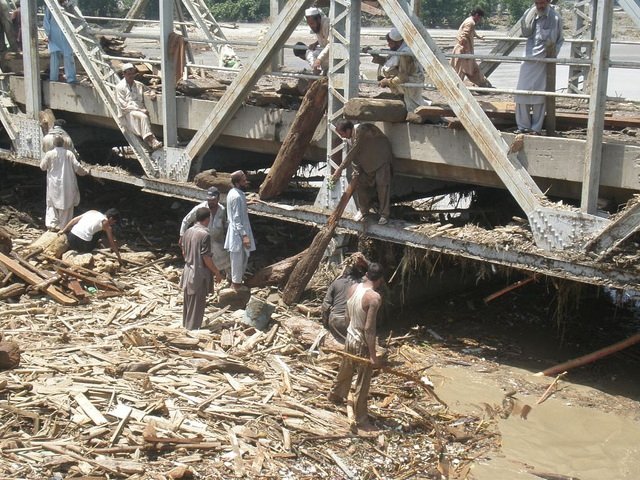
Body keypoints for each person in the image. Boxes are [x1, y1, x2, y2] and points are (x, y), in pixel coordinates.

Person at [328, 263, 385, 432]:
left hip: (350, 337)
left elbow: (347, 315)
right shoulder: (374, 298)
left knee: (346, 368)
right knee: (363, 380)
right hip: (361, 342)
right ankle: (362, 419)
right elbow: (369, 329)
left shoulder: (353, 288)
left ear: (367, 274)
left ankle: (335, 395)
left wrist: (349, 332)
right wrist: (373, 354)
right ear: (381, 280)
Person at [514, 0, 563, 135]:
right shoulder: (530, 13)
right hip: (528, 59)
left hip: (543, 62)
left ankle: (536, 128)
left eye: (542, 3)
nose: (540, 6)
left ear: (548, 2)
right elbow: (525, 31)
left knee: (540, 96)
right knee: (522, 92)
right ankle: (523, 127)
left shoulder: (555, 18)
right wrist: (531, 13)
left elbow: (560, 40)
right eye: (537, 3)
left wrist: (552, 56)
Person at [336, 120, 393, 225]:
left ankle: (384, 215)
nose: (341, 136)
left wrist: (340, 169)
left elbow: (353, 152)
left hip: (382, 159)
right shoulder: (350, 139)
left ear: (348, 130)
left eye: (342, 133)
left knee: (382, 185)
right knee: (359, 183)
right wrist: (356, 172)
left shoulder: (361, 130)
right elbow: (355, 158)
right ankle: (363, 211)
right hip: (369, 163)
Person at [180, 207, 223, 330]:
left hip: (187, 271)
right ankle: (192, 331)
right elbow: (206, 258)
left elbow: (183, 251)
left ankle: (186, 327)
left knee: (188, 303)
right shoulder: (205, 234)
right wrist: (217, 272)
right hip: (198, 273)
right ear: (208, 219)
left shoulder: (188, 231)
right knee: (197, 305)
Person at [179, 186, 230, 279]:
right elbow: (186, 220)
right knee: (202, 260)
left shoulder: (222, 209)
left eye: (213, 200)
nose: (211, 202)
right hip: (203, 240)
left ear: (218, 199)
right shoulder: (200, 208)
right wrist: (182, 236)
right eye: (209, 200)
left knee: (225, 259)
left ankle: (228, 278)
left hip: (217, 240)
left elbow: (224, 224)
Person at [40, 134, 88, 230]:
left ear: (53, 143)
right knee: (66, 205)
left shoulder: (49, 154)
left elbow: (42, 167)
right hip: (67, 183)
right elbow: (77, 167)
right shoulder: (69, 154)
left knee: (51, 204)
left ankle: (52, 225)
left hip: (53, 183)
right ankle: (64, 227)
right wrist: (85, 172)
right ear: (63, 143)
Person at [377, 27, 427, 116]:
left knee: (413, 109)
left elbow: (403, 77)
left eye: (390, 43)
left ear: (397, 42)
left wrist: (387, 81)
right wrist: (374, 56)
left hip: (412, 82)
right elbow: (389, 63)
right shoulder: (400, 49)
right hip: (408, 82)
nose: (389, 45)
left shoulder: (405, 54)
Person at [115, 63, 163, 151]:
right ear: (124, 74)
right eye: (129, 74)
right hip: (127, 112)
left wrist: (152, 93)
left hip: (139, 109)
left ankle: (151, 140)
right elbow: (123, 106)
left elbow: (149, 89)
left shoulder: (138, 85)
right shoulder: (120, 87)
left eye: (132, 74)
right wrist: (139, 109)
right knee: (143, 116)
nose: (131, 76)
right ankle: (151, 140)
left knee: (143, 116)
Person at [322, 253, 369, 340]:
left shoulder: (336, 283)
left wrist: (325, 324)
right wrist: (365, 262)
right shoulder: (362, 285)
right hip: (352, 323)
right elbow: (376, 274)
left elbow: (325, 305)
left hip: (335, 321)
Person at [224, 170, 255, 291]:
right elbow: (237, 219)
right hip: (238, 234)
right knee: (238, 259)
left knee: (241, 258)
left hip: (239, 232)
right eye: (243, 180)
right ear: (237, 183)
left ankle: (237, 282)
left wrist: (248, 203)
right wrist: (244, 236)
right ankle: (236, 285)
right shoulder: (236, 196)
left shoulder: (234, 193)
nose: (246, 182)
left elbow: (238, 208)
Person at [451, 8, 493, 88]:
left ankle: (484, 85)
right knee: (462, 70)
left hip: (463, 50)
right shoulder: (471, 23)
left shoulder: (469, 20)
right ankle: (456, 88)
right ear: (477, 15)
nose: (480, 20)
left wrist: (479, 37)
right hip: (464, 50)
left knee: (471, 69)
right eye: (480, 17)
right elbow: (463, 36)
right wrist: (466, 50)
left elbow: (471, 32)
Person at [44, 0, 77, 83]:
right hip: (54, 34)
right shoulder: (51, 5)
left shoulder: (69, 5)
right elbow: (46, 20)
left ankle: (71, 79)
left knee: (68, 55)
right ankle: (53, 78)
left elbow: (74, 19)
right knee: (55, 56)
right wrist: (47, 33)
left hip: (66, 35)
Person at [304, 7, 329, 74]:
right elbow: (324, 38)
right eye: (309, 24)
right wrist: (315, 43)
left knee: (318, 58)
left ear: (318, 19)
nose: (311, 26)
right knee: (309, 52)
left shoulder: (326, 24)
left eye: (312, 23)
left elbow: (331, 44)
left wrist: (319, 59)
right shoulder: (317, 26)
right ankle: (316, 70)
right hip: (324, 51)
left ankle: (322, 71)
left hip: (331, 53)